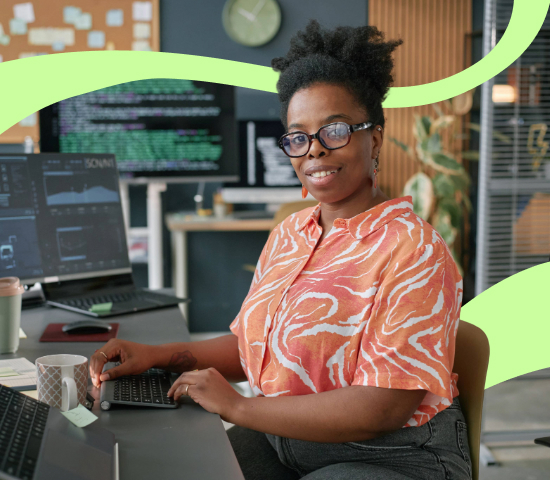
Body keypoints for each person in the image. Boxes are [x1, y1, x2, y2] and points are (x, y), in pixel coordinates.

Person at [90, 20, 472, 480]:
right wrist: (158, 355)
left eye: (335, 130)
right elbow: (257, 349)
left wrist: (238, 407)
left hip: (394, 456)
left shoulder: (414, 249)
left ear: (375, 138)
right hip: (288, 440)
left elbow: (382, 407)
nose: (314, 151)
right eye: (298, 137)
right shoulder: (291, 233)